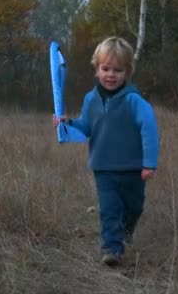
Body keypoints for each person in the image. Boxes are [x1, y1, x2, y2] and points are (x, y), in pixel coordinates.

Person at [53, 37, 159, 266]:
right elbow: (86, 127)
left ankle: (125, 232)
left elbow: (149, 129)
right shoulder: (90, 100)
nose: (111, 75)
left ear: (127, 72)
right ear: (97, 69)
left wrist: (149, 163)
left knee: (134, 207)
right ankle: (112, 248)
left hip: (133, 167)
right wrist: (68, 122)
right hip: (103, 167)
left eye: (118, 70)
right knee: (110, 209)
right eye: (106, 69)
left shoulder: (134, 101)